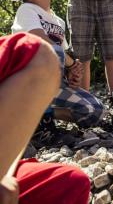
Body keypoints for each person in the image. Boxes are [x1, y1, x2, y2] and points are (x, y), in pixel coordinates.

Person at [5, 0, 105, 129]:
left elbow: (63, 60)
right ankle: (32, 117)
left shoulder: (58, 21)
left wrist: (72, 74)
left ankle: (43, 113)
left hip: (50, 86)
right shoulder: (26, 10)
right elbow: (43, 43)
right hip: (26, 83)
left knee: (95, 110)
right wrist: (72, 63)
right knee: (51, 49)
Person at [0, 32, 90, 204]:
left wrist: (71, 68)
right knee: (42, 54)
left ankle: (44, 114)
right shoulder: (26, 13)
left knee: (73, 182)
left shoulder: (57, 22)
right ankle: (43, 118)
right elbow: (34, 52)